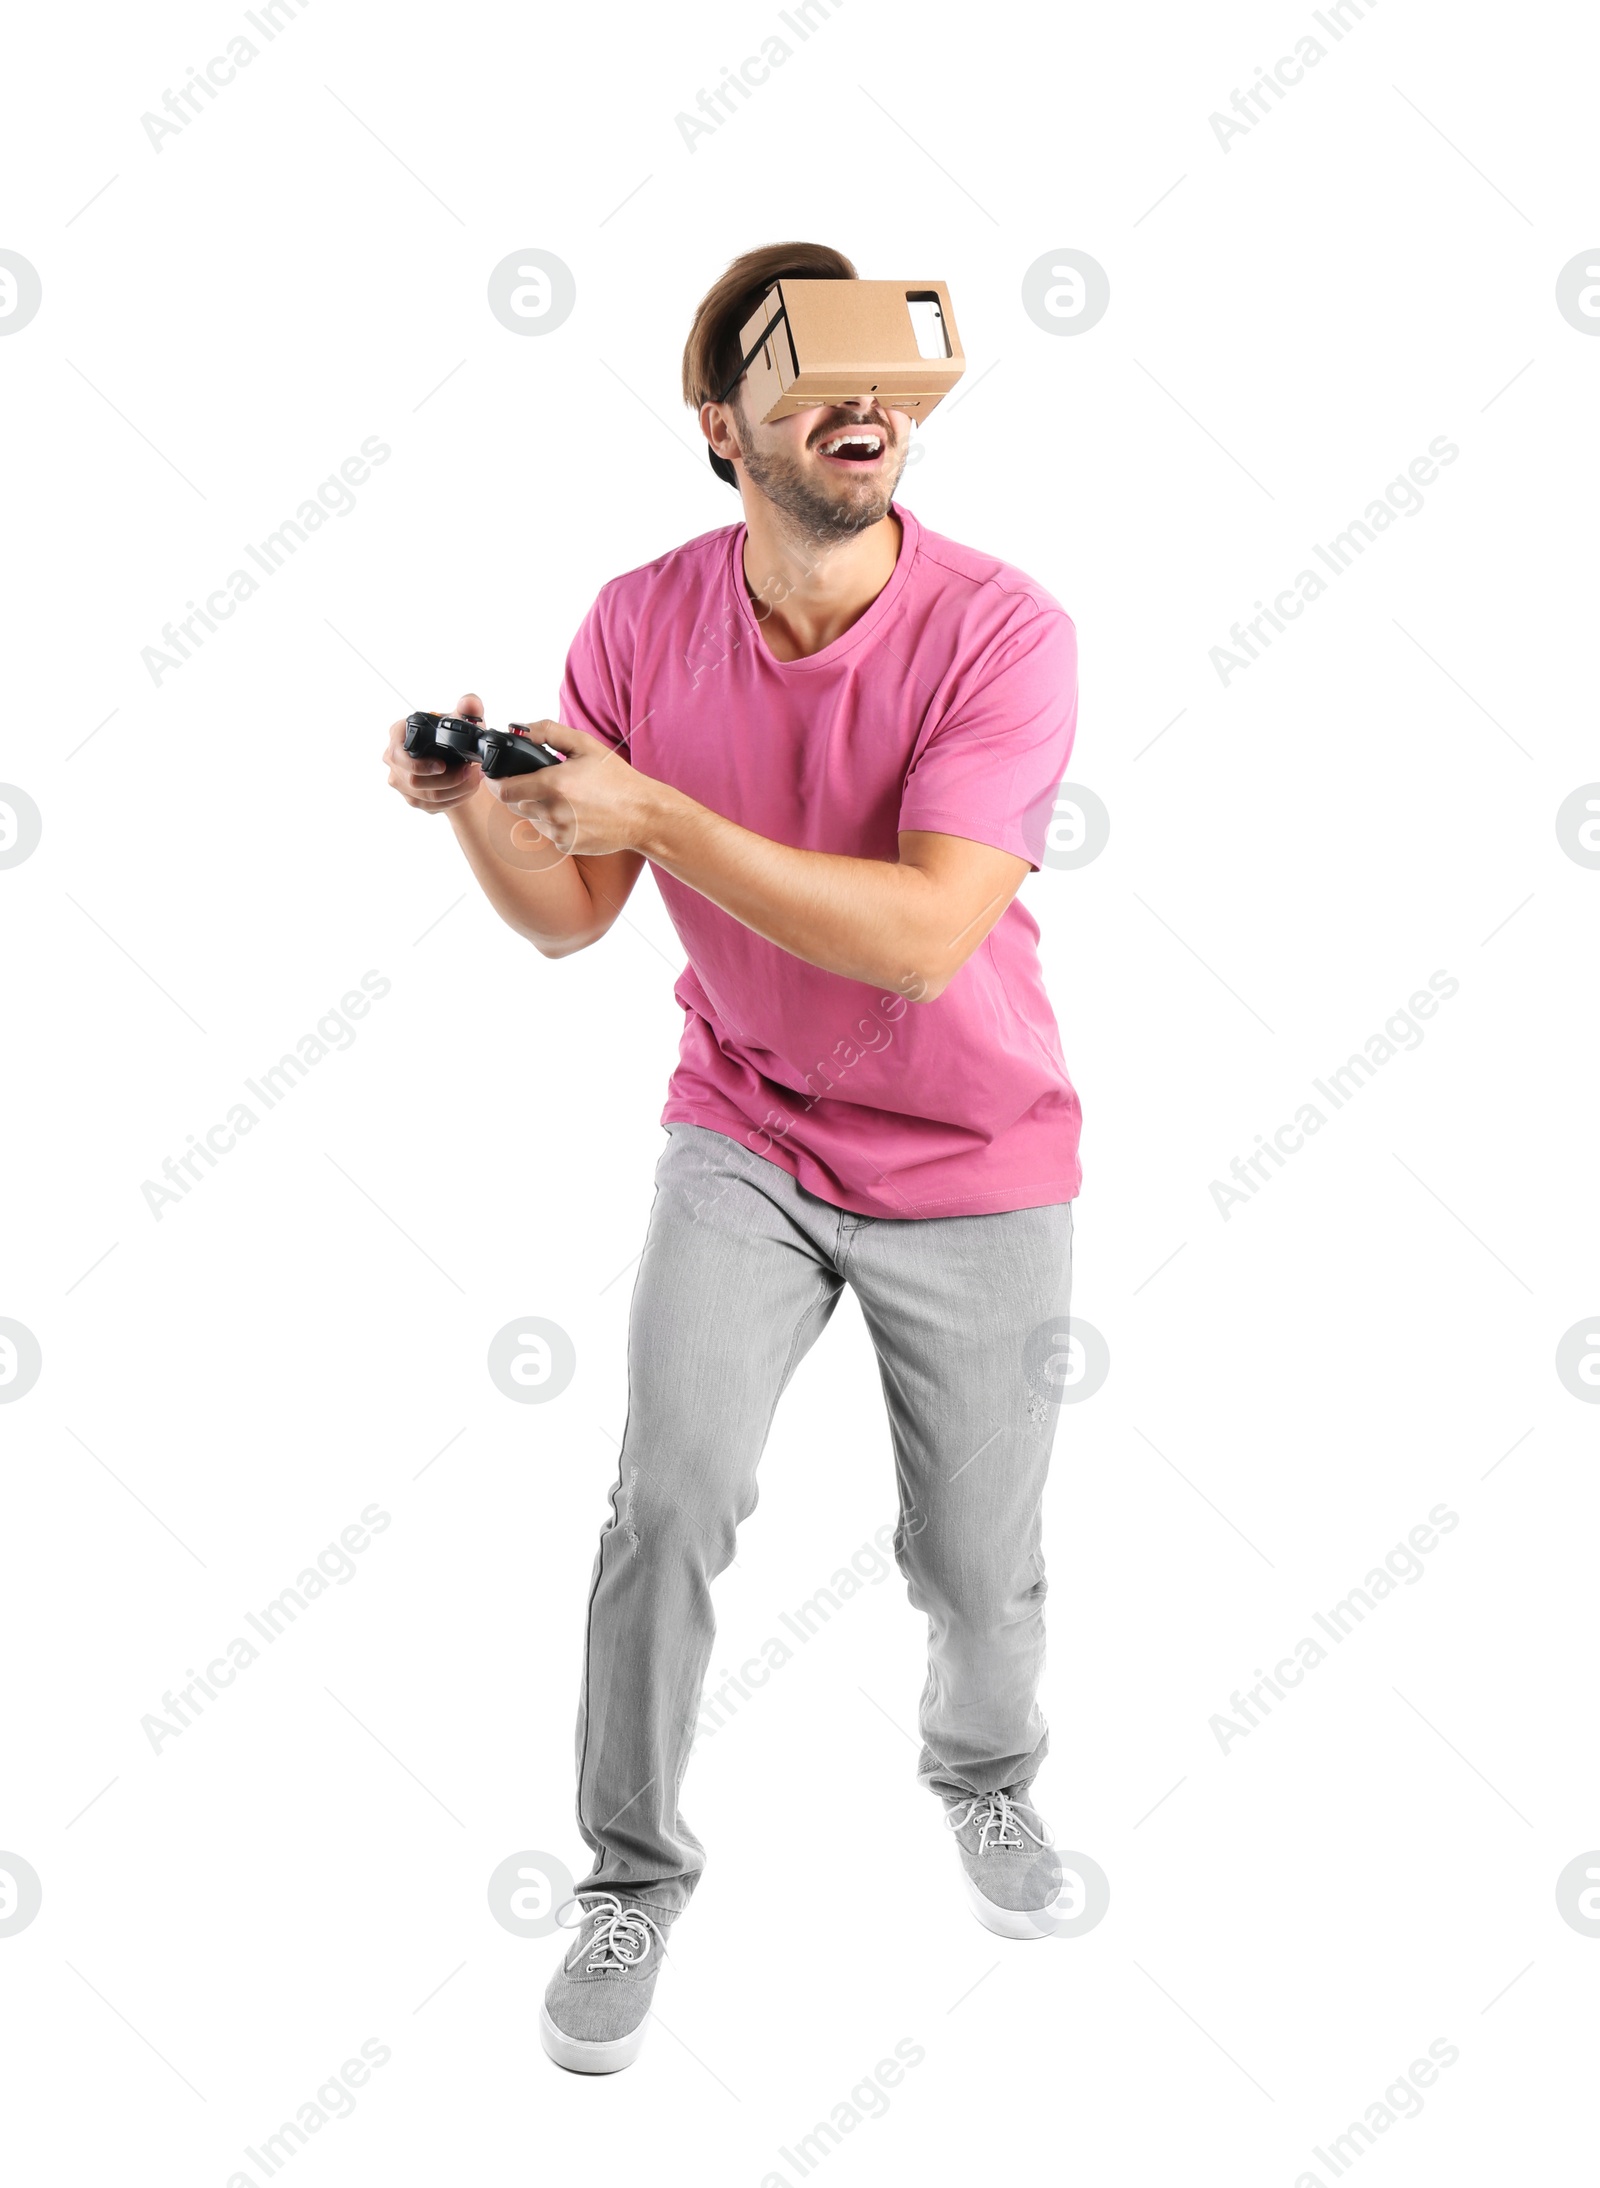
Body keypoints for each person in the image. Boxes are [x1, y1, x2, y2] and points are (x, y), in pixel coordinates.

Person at [381, 241, 1083, 2075]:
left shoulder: (1006, 630)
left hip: (977, 1155)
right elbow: (570, 913)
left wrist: (659, 809)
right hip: (747, 1132)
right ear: (723, 424)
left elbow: (929, 936)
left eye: (893, 380)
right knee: (668, 1505)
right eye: (814, 373)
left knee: (976, 1563)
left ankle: (984, 1776)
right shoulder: (636, 622)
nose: (870, 403)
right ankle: (630, 1874)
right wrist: (486, 811)